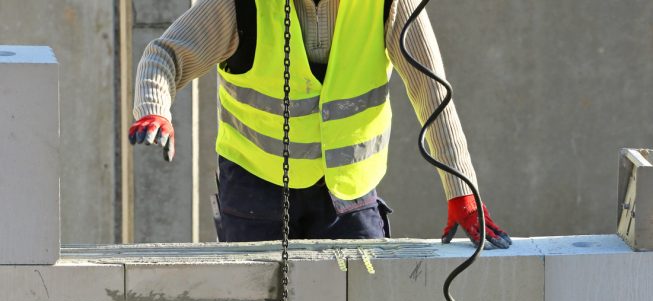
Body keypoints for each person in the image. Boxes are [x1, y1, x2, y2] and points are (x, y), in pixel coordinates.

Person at [129, 0, 511, 247]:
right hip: (255, 190)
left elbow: (430, 90)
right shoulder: (241, 4)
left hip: (349, 194)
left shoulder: (389, 3)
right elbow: (164, 55)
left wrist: (460, 189)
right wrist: (154, 107)